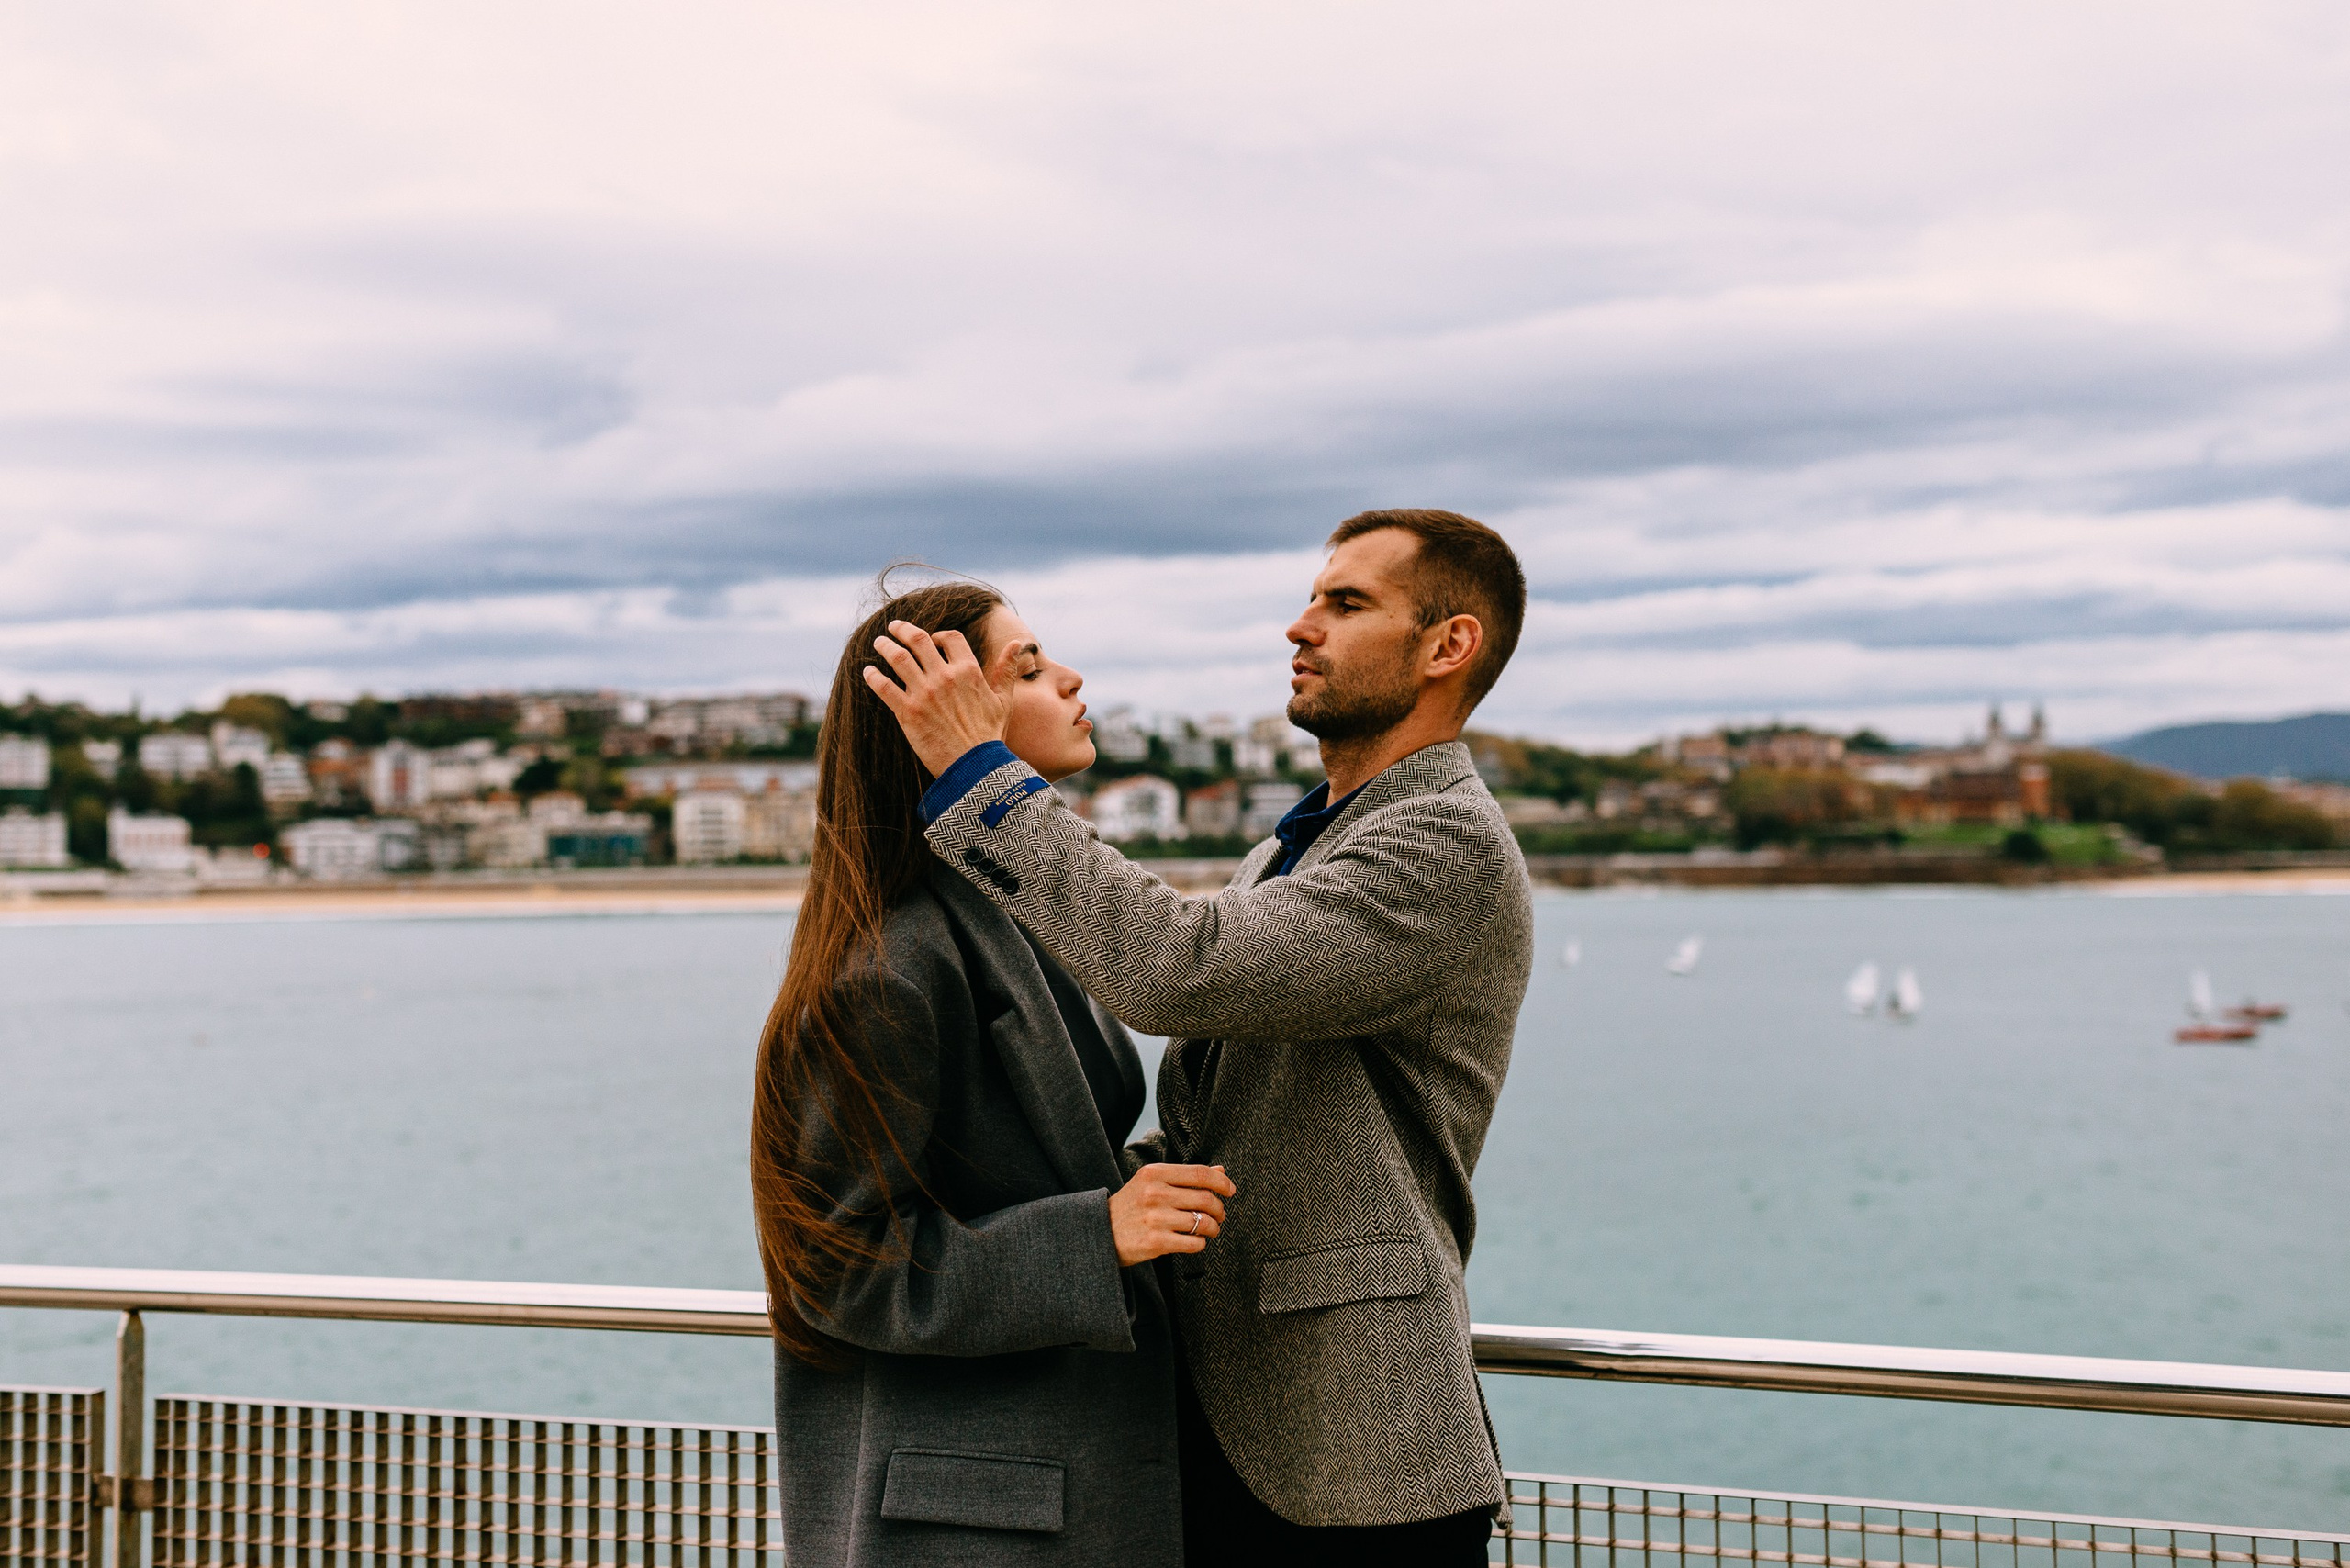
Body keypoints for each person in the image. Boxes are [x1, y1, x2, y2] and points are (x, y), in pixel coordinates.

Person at [863, 510, 1536, 1567]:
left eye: (1345, 603)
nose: (1298, 626)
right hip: (1208, 1429)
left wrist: (974, 768)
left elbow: (1176, 967)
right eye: (1314, 597)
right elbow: (1215, 1122)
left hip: (1354, 1450)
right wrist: (1071, 1229)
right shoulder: (1294, 844)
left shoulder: (1444, 840)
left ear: (1447, 646)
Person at [752, 578, 1238, 1568]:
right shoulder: (891, 968)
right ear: (943, 712)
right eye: (1026, 665)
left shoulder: (1009, 924)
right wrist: (1095, 1234)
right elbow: (831, 1266)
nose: (1069, 677)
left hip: (1054, 1488)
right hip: (966, 1521)